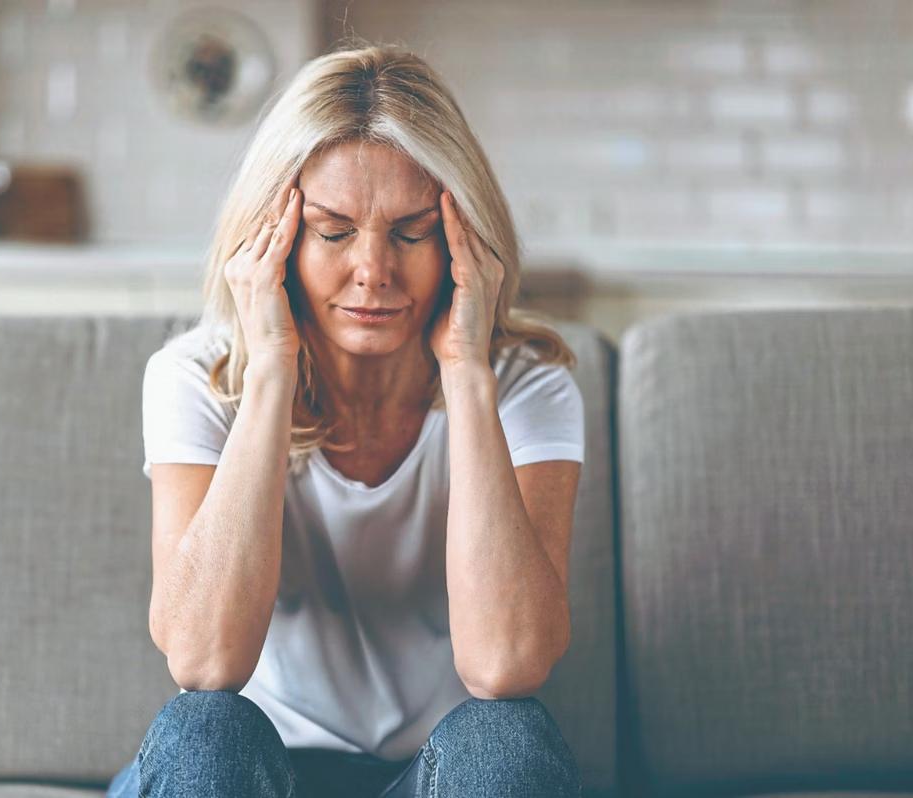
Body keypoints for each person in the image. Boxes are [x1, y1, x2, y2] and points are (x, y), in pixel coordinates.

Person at [107, 41, 585, 798]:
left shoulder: (527, 385)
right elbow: (202, 663)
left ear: (464, 238)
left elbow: (506, 666)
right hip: (253, 777)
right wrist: (268, 372)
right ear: (276, 236)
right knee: (204, 729)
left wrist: (466, 372)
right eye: (333, 232)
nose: (373, 270)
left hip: (424, 779)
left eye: (412, 231)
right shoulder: (194, 377)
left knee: (505, 740)